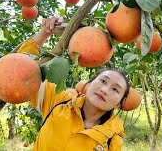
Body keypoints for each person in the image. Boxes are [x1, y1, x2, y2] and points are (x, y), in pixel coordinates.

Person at [17, 16, 130, 151]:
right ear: (89, 84)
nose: (105, 90)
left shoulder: (112, 140)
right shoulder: (58, 102)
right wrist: (46, 31)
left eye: (115, 90)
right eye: (103, 81)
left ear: (119, 103)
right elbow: (21, 68)